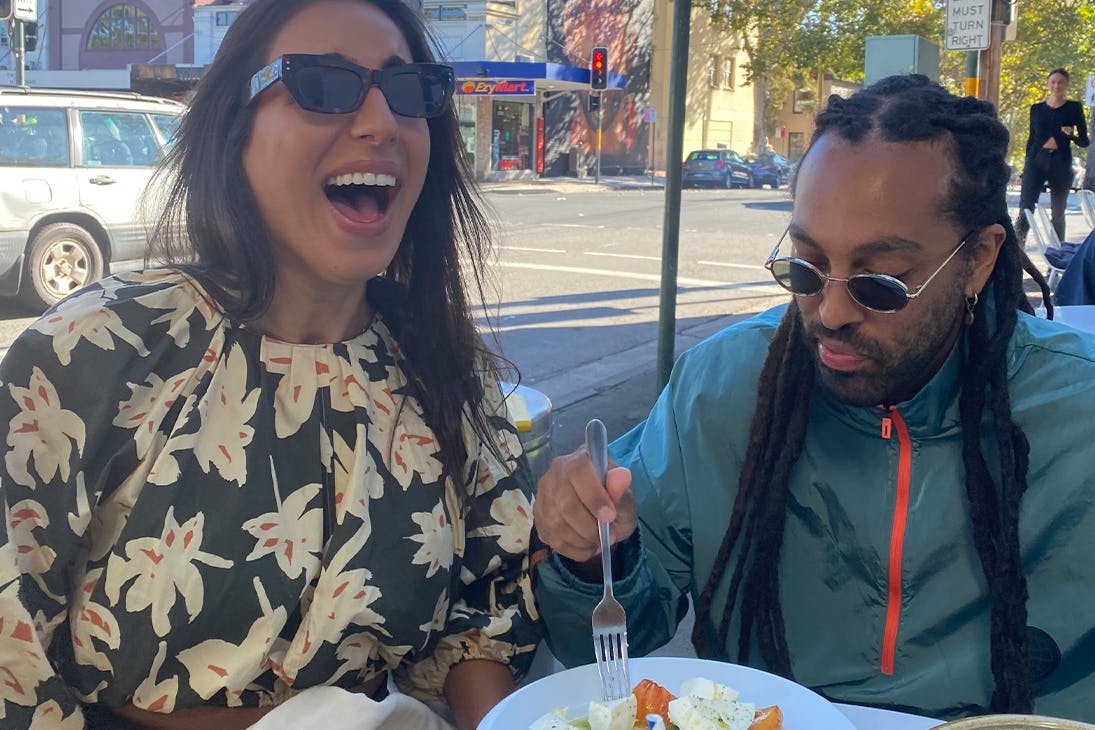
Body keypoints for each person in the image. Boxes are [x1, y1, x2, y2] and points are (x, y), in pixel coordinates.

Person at [0, 0, 540, 727]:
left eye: (409, 89)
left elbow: (486, 611)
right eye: (323, 83)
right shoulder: (90, 352)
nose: (381, 122)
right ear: (233, 130)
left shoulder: (443, 367)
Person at [532, 74, 1095, 722]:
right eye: (804, 267)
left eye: (881, 281)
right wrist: (589, 555)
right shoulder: (721, 389)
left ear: (978, 259)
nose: (829, 312)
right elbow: (608, 643)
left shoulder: (1077, 411)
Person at [1016, 68, 1089, 243]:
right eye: (1053, 82)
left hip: (1060, 162)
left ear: (1066, 85)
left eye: (1061, 82)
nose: (1056, 85)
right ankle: (1017, 250)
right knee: (1025, 209)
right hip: (1036, 161)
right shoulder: (1037, 109)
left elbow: (1084, 141)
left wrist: (1071, 135)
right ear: (1048, 84)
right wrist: (1026, 166)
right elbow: (1031, 139)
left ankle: (1057, 253)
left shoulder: (1073, 108)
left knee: (1058, 214)